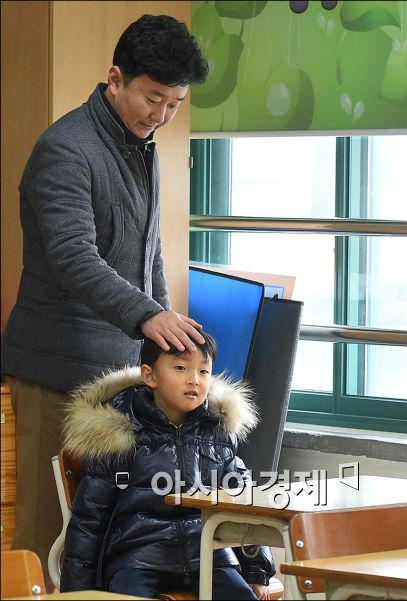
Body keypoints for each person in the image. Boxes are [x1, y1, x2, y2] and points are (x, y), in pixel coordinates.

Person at [0, 14, 209, 587]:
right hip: (56, 374)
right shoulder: (65, 149)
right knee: (46, 535)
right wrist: (148, 315)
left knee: (109, 538)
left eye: (174, 103)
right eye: (152, 98)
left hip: (119, 377)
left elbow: (151, 254)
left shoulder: (144, 147)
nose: (161, 115)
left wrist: (166, 348)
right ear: (115, 79)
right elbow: (74, 258)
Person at [59, 332, 275, 599]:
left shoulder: (218, 431)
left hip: (209, 555)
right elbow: (90, 520)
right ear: (149, 375)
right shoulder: (117, 434)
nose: (194, 379)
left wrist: (257, 571)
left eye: (204, 371)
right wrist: (76, 594)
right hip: (138, 556)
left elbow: (244, 504)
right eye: (181, 368)